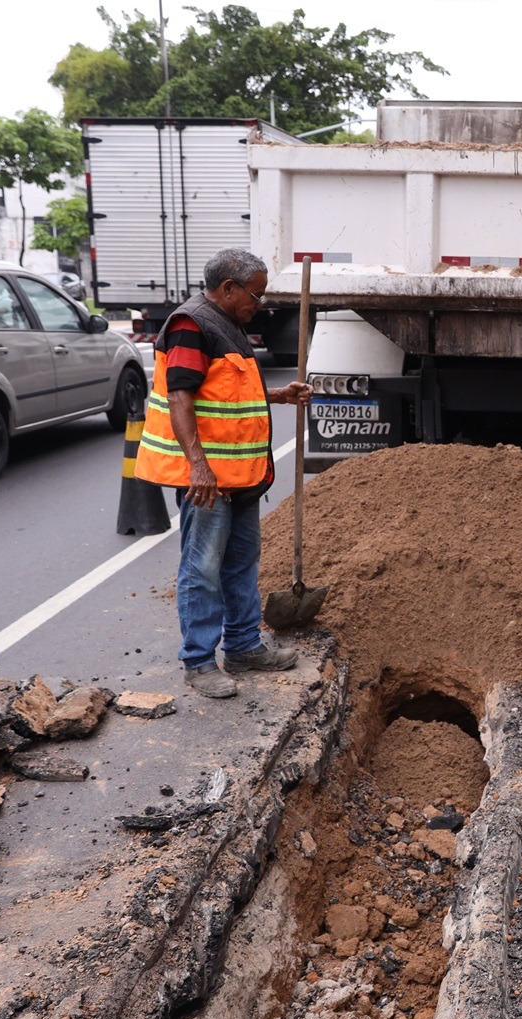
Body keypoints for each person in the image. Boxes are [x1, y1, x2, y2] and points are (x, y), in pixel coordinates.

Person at [136, 248, 313, 698]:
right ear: (229, 288)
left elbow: (227, 396)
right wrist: (198, 466)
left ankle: (242, 646)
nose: (261, 303)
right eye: (256, 294)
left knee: (240, 563)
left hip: (240, 479)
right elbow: (181, 397)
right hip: (209, 482)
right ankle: (199, 662)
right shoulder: (190, 325)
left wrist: (279, 396)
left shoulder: (227, 324)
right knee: (203, 568)